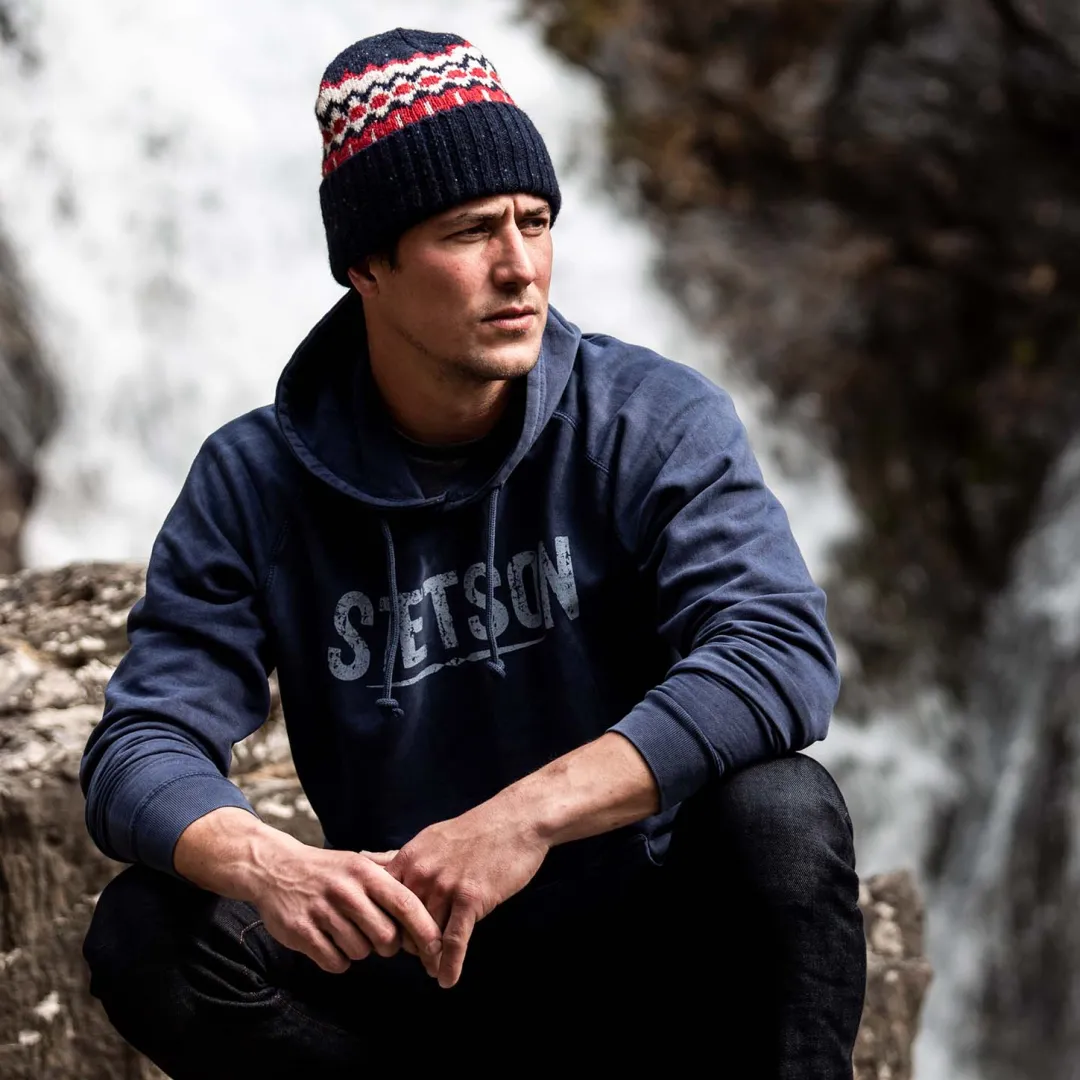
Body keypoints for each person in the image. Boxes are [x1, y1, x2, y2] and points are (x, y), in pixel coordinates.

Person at [80, 27, 866, 1078]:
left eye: (535, 222)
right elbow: (140, 746)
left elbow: (779, 652)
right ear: (367, 263)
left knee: (783, 811)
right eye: (470, 232)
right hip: (417, 965)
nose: (519, 268)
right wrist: (273, 866)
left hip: (650, 961)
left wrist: (521, 821)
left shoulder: (649, 418)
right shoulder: (251, 481)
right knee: (148, 931)